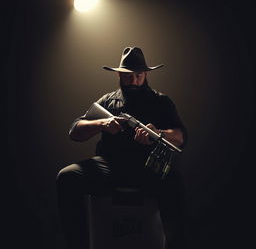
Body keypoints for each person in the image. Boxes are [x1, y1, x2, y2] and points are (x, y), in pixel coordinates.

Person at [56, 46, 188, 249]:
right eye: (128, 76)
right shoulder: (108, 101)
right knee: (67, 177)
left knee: (175, 182)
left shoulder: (161, 102)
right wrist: (102, 124)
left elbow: (180, 136)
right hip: (109, 167)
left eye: (138, 75)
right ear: (119, 74)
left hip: (147, 168)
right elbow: (75, 130)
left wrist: (158, 134)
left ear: (145, 75)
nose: (134, 81)